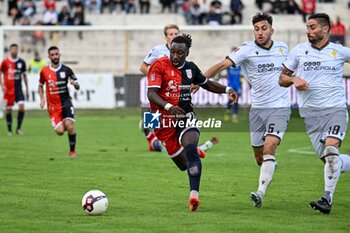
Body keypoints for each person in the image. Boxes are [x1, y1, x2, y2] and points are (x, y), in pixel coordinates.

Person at [203, 13, 290, 208]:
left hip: (279, 107)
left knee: (269, 147)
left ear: (271, 30)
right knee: (260, 157)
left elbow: (292, 70)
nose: (260, 32)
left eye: (264, 28)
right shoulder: (247, 50)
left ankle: (260, 193)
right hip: (257, 109)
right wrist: (199, 81)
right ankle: (268, 166)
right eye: (257, 29)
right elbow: (221, 65)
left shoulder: (283, 48)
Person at [147, 34, 237, 211]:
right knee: (183, 165)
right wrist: (168, 107)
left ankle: (194, 195)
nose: (175, 56)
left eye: (179, 53)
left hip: (185, 115)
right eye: (172, 51)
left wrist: (227, 89)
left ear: (187, 53)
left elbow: (207, 84)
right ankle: (194, 150)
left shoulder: (190, 68)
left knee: (189, 148)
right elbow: (151, 94)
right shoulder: (158, 65)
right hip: (161, 120)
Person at [279, 13, 350, 214]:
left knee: (330, 150)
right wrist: (293, 80)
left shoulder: (340, 51)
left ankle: (326, 199)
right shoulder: (299, 51)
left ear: (325, 29)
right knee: (332, 161)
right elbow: (281, 78)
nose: (308, 31)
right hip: (311, 117)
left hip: (335, 110)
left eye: (312, 27)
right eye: (307, 27)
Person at [38, 46, 80, 157]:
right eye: (52, 55)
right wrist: (42, 99)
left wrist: (75, 84)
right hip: (53, 107)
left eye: (56, 54)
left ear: (59, 55)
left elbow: (77, 86)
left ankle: (72, 151)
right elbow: (40, 86)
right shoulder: (44, 71)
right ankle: (64, 123)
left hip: (66, 102)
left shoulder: (67, 70)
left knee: (70, 126)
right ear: (49, 56)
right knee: (60, 132)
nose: (55, 56)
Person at [0, 44, 29, 136]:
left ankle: (18, 128)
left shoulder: (22, 62)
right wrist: (2, 85)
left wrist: (27, 89)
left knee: (22, 108)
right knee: (8, 110)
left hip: (18, 89)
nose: (14, 51)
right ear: (10, 50)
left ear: (18, 50)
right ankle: (9, 130)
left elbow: (24, 76)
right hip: (8, 90)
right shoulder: (5, 62)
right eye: (12, 49)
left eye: (15, 49)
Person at [141, 125, 219, 158]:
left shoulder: (158, 131)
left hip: (167, 143)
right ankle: (206, 145)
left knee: (188, 146)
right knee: (187, 148)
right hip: (161, 145)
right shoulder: (150, 136)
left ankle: (207, 144)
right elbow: (146, 130)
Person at [224, 46, 242, 123]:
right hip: (230, 84)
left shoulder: (240, 63)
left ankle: (234, 115)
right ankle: (228, 110)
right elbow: (222, 68)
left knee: (236, 99)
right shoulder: (228, 62)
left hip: (237, 84)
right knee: (231, 99)